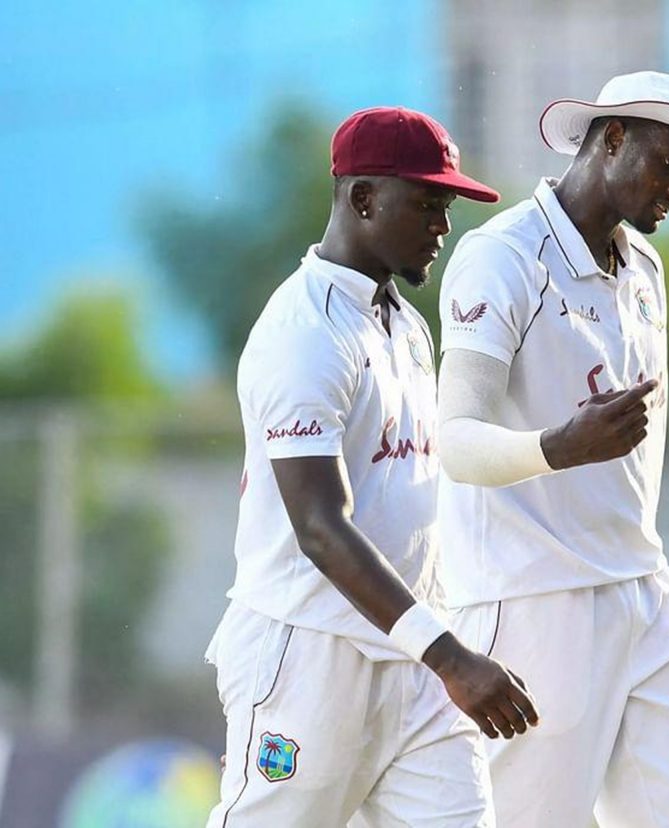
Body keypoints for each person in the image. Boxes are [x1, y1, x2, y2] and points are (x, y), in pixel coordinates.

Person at [204, 106, 538, 828]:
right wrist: (452, 657)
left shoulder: (405, 324)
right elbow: (320, 528)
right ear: (362, 199)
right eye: (426, 204)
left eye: (446, 207)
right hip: (309, 656)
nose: (443, 227)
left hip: (413, 661)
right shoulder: (303, 333)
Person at [435, 71, 669, 827]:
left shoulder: (644, 267)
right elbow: (455, 441)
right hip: (535, 601)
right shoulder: (501, 256)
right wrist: (559, 446)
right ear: (611, 138)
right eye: (668, 163)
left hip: (644, 588)